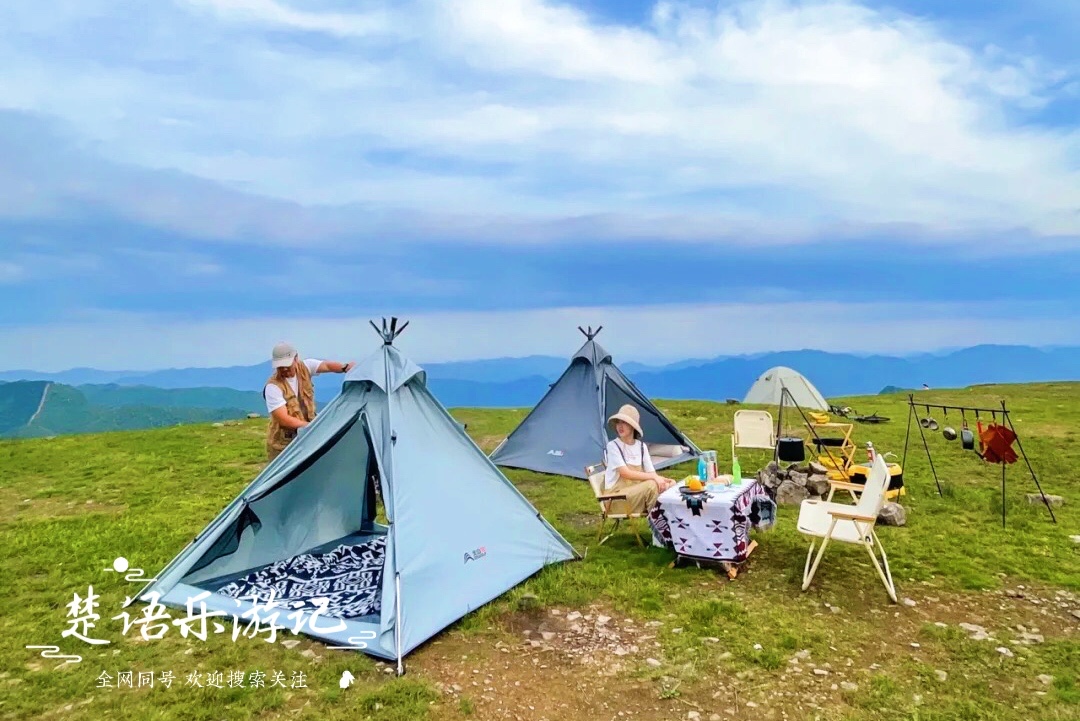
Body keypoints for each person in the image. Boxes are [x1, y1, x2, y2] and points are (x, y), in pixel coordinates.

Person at [263, 341, 354, 460]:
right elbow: (283, 419)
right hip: (284, 446)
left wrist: (345, 367)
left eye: (287, 364)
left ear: (296, 358)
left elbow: (326, 366)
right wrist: (313, 426)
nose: (284, 368)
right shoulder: (272, 387)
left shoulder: (305, 367)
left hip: (308, 439)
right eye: (280, 366)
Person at [603, 404, 677, 515]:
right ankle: (659, 525)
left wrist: (663, 480)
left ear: (633, 426)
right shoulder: (613, 446)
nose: (620, 426)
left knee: (670, 485)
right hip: (616, 499)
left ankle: (670, 523)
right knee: (652, 485)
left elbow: (652, 473)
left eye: (624, 422)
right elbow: (625, 473)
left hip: (636, 495)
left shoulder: (642, 447)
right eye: (618, 422)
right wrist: (654, 478)